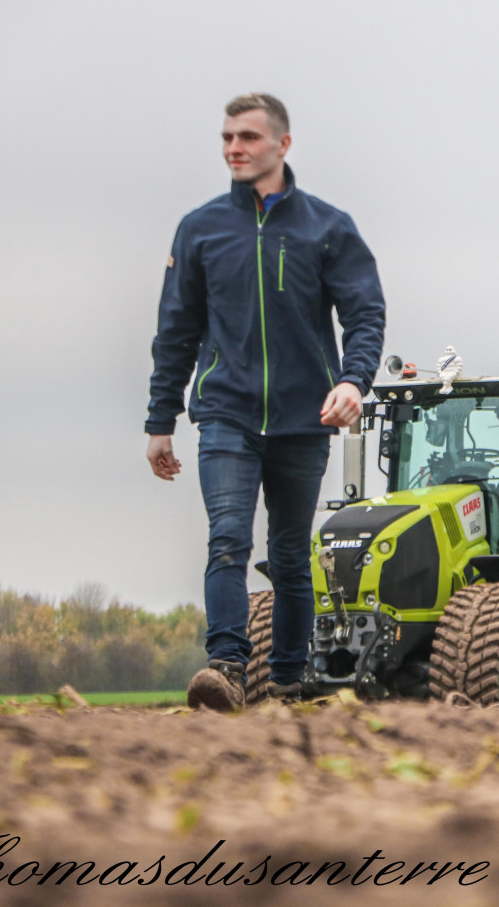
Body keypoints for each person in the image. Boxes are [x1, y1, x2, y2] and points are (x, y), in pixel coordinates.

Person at [144, 93, 385, 711]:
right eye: (227, 138)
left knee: (289, 554)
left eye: (248, 137)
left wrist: (354, 380)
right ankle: (225, 668)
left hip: (307, 417)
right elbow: (175, 328)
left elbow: (364, 313)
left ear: (282, 144)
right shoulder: (200, 230)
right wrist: (160, 419)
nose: (234, 148)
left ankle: (287, 682)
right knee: (227, 537)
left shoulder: (328, 227)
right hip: (225, 412)